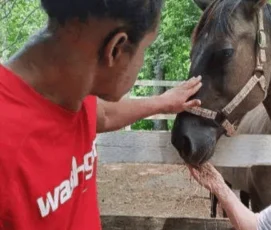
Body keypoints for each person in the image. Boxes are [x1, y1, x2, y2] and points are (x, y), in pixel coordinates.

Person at [0, 1, 202, 229]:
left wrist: (163, 103)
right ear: (116, 48)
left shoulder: (72, 86)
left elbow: (104, 114)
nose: (142, 60)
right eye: (144, 49)